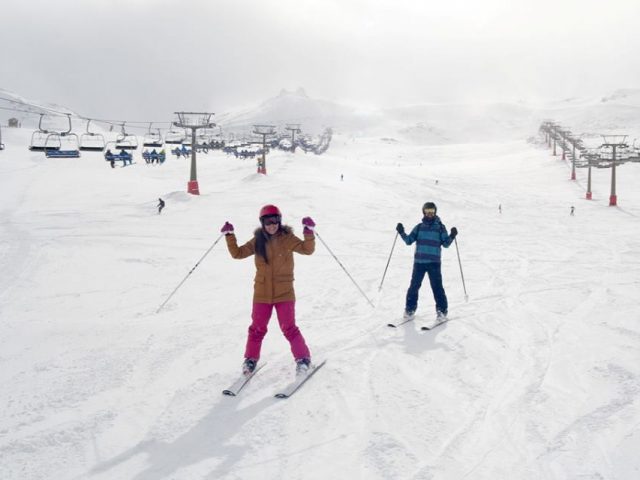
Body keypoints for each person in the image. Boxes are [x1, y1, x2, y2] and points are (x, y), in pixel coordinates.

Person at [221, 205, 316, 376]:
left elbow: (307, 250)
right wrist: (229, 236)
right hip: (262, 294)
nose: (271, 225)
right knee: (257, 328)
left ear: (279, 221)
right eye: (267, 222)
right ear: (262, 223)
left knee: (289, 327)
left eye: (275, 221)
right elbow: (238, 253)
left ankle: (303, 359)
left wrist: (308, 232)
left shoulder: (287, 238)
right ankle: (250, 359)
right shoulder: (258, 241)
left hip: (284, 293)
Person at [396, 202, 457, 321]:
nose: (430, 213)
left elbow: (445, 244)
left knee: (437, 287)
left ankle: (442, 311)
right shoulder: (419, 227)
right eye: (428, 211)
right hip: (419, 263)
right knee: (414, 287)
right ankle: (409, 310)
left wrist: (452, 235)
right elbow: (409, 241)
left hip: (434, 263)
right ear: (424, 212)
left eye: (432, 211)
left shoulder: (440, 227)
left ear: (435, 212)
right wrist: (401, 232)